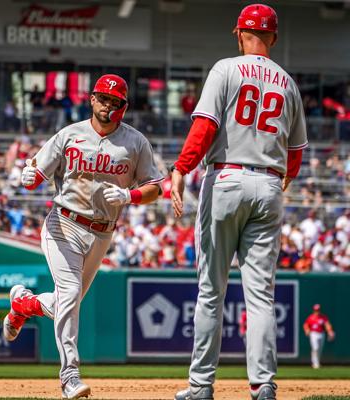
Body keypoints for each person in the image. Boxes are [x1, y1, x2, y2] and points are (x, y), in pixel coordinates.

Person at [170, 4, 308, 400]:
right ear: (274, 38)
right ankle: (263, 383)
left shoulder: (226, 68)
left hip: (227, 179)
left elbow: (205, 127)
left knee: (211, 290)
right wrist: (280, 181)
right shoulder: (288, 83)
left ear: (238, 33)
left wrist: (181, 168)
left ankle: (201, 386)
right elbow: (295, 153)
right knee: (261, 294)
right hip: (269, 183)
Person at [2, 74, 163, 399]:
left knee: (68, 301)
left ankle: (24, 304)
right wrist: (28, 175)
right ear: (91, 99)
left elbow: (155, 187)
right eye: (103, 98)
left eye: (115, 101)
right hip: (64, 224)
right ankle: (70, 376)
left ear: (124, 106)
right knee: (71, 293)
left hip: (102, 232)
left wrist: (131, 197)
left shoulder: (135, 142)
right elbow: (36, 174)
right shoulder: (69, 135)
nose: (108, 105)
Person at [303, 304, 335, 369]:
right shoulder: (311, 317)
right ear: (313, 310)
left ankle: (317, 362)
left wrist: (330, 331)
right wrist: (306, 330)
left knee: (319, 350)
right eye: (316, 310)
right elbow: (305, 324)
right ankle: (315, 364)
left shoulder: (323, 317)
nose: (317, 311)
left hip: (321, 333)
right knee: (315, 348)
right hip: (313, 333)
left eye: (318, 310)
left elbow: (327, 325)